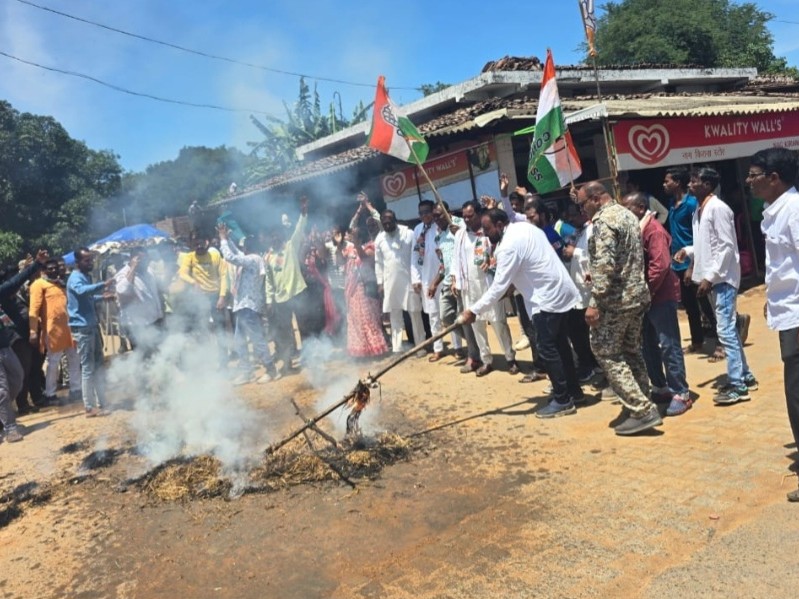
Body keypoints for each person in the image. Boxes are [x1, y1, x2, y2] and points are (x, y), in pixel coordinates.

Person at [460, 209, 583, 417]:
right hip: (561, 292)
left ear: (500, 225)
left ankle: (563, 400)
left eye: (488, 229)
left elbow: (499, 286)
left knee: (548, 350)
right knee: (561, 346)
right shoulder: (525, 227)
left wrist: (473, 310)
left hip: (546, 300)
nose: (486, 234)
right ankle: (573, 391)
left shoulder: (507, 247)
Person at [576, 181, 662, 435]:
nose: (581, 210)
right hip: (636, 295)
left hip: (616, 300)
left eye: (582, 204)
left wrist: (595, 302)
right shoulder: (626, 214)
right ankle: (639, 401)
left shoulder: (604, 222)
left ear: (594, 199)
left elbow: (605, 265)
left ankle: (642, 408)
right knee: (631, 350)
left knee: (606, 351)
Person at [675, 167, 758, 405]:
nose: (690, 185)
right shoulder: (700, 210)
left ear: (708, 185)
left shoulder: (718, 209)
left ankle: (737, 386)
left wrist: (709, 277)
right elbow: (706, 244)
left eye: (695, 181)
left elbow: (726, 246)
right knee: (728, 329)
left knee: (725, 331)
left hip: (722, 279)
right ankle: (745, 374)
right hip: (714, 278)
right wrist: (689, 252)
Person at [745, 148, 799, 501]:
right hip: (788, 310)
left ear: (774, 178)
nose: (748, 181)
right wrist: (772, 297)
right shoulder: (775, 211)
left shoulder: (793, 212)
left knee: (797, 392)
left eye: (754, 174)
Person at [622, 193, 691, 417]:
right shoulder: (636, 230)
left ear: (641, 208)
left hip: (659, 296)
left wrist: (646, 290)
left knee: (668, 344)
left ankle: (681, 392)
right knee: (648, 344)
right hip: (645, 298)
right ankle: (660, 386)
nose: (625, 213)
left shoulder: (653, 231)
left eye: (628, 207)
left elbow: (660, 265)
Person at [453, 202, 520, 377]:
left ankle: (510, 358)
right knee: (477, 325)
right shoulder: (460, 234)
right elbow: (456, 259)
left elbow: (501, 250)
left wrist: (493, 261)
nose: (467, 219)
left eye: (470, 215)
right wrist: (455, 280)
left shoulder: (488, 232)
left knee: (499, 322)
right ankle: (486, 360)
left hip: (489, 284)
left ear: (478, 214)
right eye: (464, 216)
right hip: (470, 286)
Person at [663, 166, 718, 356]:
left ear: (677, 182)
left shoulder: (691, 204)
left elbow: (699, 235)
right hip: (679, 262)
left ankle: (721, 343)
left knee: (706, 303)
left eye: (667, 180)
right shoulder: (672, 204)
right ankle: (697, 341)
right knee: (690, 305)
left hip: (694, 261)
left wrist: (692, 266)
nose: (664, 184)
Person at [218, 224, 278, 385]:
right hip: (243, 306)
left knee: (257, 340)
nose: (242, 247)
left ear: (250, 248)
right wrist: (228, 239)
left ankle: (271, 370)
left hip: (249, 307)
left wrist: (223, 240)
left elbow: (232, 257)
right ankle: (246, 372)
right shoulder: (251, 259)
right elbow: (237, 253)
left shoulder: (254, 259)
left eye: (244, 245)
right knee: (239, 341)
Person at [264, 197, 309, 374]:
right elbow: (268, 281)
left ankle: (309, 356)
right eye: (272, 237)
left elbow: (299, 230)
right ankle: (289, 360)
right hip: (280, 298)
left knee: (303, 326)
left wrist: (303, 213)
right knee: (286, 331)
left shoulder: (290, 247)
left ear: (282, 237)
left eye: (277, 236)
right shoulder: (268, 257)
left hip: (297, 292)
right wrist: (269, 300)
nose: (275, 239)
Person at [67, 247, 114, 417]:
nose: (90, 263)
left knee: (99, 365)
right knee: (88, 368)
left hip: (91, 326)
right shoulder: (75, 278)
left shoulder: (85, 277)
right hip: (82, 328)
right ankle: (89, 407)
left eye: (91, 260)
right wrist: (103, 285)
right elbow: (81, 291)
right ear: (78, 262)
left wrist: (103, 297)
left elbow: (88, 297)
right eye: (87, 260)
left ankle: (102, 401)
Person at [28, 257, 82, 405]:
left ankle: (76, 389)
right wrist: (33, 331)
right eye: (49, 268)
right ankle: (50, 394)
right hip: (52, 330)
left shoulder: (61, 283)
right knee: (53, 362)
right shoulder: (38, 285)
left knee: (74, 358)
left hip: (69, 327)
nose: (53, 270)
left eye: (55, 268)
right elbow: (33, 310)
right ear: (43, 270)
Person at [374, 209, 425, 353]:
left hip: (409, 281)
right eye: (384, 222)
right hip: (390, 283)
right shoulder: (380, 239)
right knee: (395, 316)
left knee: (415, 314)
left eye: (390, 221)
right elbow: (378, 262)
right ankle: (397, 348)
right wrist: (380, 283)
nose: (387, 224)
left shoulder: (408, 234)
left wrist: (417, 278)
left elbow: (416, 257)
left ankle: (420, 346)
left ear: (395, 220)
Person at [178, 235, 229, 367]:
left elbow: (224, 276)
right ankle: (206, 362)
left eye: (201, 244)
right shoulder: (189, 257)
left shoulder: (215, 256)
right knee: (202, 330)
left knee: (220, 330)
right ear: (192, 246)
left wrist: (222, 296)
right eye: (196, 245)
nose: (199, 247)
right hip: (200, 298)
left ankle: (224, 362)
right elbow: (182, 273)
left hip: (215, 296)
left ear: (206, 242)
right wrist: (193, 281)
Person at [343, 226, 389, 358]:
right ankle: (362, 352)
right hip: (353, 290)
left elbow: (364, 258)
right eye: (352, 235)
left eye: (355, 235)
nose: (352, 237)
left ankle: (376, 351)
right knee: (356, 321)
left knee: (369, 320)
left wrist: (356, 244)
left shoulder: (370, 247)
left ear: (361, 236)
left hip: (367, 289)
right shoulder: (350, 250)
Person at [430, 202, 467, 362]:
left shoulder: (460, 224)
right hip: (447, 283)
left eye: (439, 215)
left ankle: (474, 352)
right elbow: (444, 265)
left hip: (460, 282)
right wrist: (434, 283)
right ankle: (472, 341)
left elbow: (473, 239)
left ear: (448, 212)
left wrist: (459, 232)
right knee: (446, 318)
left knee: (463, 317)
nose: (436, 219)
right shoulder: (439, 237)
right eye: (435, 217)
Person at [114, 248, 165, 357]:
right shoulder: (123, 274)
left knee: (157, 354)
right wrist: (133, 268)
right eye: (142, 260)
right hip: (136, 325)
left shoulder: (149, 271)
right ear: (134, 260)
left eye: (147, 259)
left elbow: (156, 292)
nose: (146, 263)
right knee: (142, 356)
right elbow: (123, 290)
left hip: (153, 320)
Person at [412, 200, 443, 359]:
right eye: (421, 213)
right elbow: (414, 255)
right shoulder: (417, 230)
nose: (425, 215)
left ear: (433, 211)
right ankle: (438, 348)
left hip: (442, 276)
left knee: (446, 314)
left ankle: (457, 346)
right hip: (425, 278)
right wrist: (415, 278)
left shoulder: (440, 226)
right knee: (432, 314)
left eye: (427, 211)